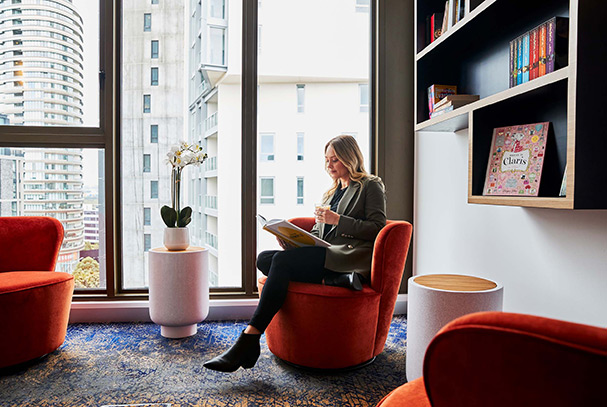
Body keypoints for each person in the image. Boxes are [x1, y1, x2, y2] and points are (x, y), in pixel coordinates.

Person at [203, 135, 387, 372]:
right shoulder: (330, 193)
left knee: (280, 264)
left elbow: (378, 228)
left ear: (350, 158)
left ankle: (249, 338)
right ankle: (331, 279)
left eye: (335, 160)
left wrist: (339, 220)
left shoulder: (369, 185)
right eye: (327, 160)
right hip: (326, 253)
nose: (329, 165)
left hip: (348, 255)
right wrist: (292, 240)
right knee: (264, 259)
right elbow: (321, 234)